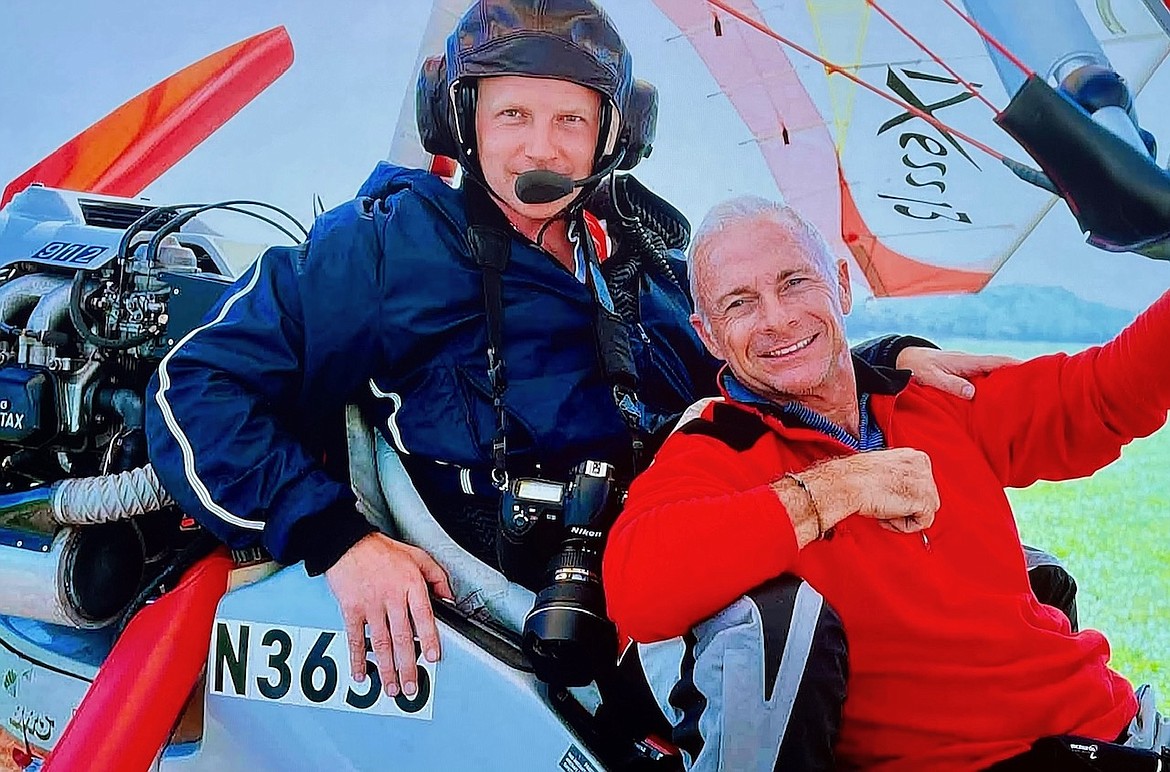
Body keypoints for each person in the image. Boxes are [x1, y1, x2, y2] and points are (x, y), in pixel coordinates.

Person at [145, 0, 1006, 721]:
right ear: (464, 122)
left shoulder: (644, 249)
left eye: (570, 120)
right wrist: (341, 543)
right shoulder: (383, 250)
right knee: (774, 641)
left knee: (1010, 585)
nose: (540, 150)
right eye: (512, 116)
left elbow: (740, 363)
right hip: (550, 607)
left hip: (696, 544)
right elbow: (196, 389)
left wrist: (881, 360)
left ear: (610, 135)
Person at [603, 195, 1170, 770]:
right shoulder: (718, 444)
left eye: (796, 282)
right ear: (710, 336)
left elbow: (1103, 395)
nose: (776, 318)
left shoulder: (931, 396)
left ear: (842, 286)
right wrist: (839, 489)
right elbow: (637, 588)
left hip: (1111, 726)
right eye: (740, 304)